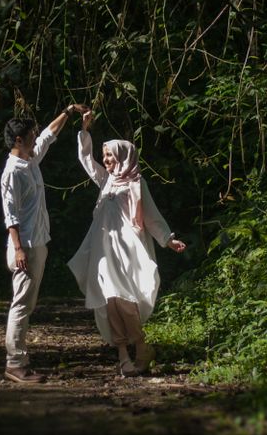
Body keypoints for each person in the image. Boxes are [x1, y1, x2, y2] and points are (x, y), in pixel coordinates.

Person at [68, 111, 186, 376]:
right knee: (108, 299)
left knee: (125, 300)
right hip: (103, 252)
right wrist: (84, 131)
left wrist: (168, 239)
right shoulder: (105, 180)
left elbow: (152, 216)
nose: (106, 160)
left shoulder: (136, 183)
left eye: (110, 155)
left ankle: (141, 346)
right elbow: (86, 160)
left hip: (127, 250)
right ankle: (123, 355)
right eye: (105, 155)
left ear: (124, 156)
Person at [0, 103, 88, 384]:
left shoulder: (30, 161)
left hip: (37, 242)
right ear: (18, 139)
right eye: (30, 134)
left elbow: (48, 135)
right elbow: (9, 213)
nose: (35, 137)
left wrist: (69, 110)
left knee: (27, 303)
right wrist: (18, 248)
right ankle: (15, 364)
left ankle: (19, 360)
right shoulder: (13, 171)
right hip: (24, 245)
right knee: (22, 304)